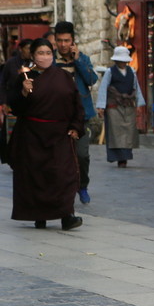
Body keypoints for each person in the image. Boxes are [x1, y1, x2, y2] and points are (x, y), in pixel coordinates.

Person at [7, 38, 84, 230]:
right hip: (33, 135)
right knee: (36, 177)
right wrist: (24, 94)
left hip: (59, 135)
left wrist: (76, 126)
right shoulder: (25, 77)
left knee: (63, 175)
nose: (45, 57)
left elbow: (76, 103)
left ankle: (67, 215)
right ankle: (38, 216)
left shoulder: (63, 77)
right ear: (33, 56)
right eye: (40, 53)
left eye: (48, 53)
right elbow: (15, 107)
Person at [53, 21, 98, 205]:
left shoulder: (82, 59)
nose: (63, 45)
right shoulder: (50, 60)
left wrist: (78, 59)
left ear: (73, 41)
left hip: (80, 117)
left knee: (82, 155)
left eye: (66, 41)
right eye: (59, 41)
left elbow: (91, 79)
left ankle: (83, 185)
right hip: (56, 116)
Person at [94, 46, 145, 168]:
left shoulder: (132, 72)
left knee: (128, 132)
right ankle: (118, 158)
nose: (122, 63)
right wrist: (101, 106)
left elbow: (136, 87)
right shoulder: (110, 72)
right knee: (116, 132)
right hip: (114, 107)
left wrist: (138, 104)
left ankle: (125, 157)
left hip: (128, 106)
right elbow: (103, 89)